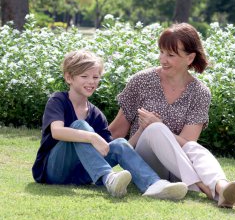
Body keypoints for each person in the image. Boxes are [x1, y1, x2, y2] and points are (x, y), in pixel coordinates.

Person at [109, 23, 235, 208]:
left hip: (177, 169)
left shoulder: (200, 92)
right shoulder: (141, 81)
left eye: (171, 55)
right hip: (145, 164)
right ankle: (209, 190)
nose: (163, 59)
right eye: (161, 52)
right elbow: (116, 132)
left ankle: (222, 186)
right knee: (155, 129)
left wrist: (160, 125)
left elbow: (187, 144)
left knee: (195, 149)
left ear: (190, 58)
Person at [32, 49, 188, 200]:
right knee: (79, 125)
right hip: (53, 171)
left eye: (95, 77)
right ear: (69, 77)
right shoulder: (58, 100)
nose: (91, 82)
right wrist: (92, 137)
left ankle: (154, 185)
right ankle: (109, 179)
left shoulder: (96, 115)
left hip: (82, 174)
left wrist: (142, 129)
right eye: (84, 76)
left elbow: (109, 149)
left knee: (119, 143)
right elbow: (57, 131)